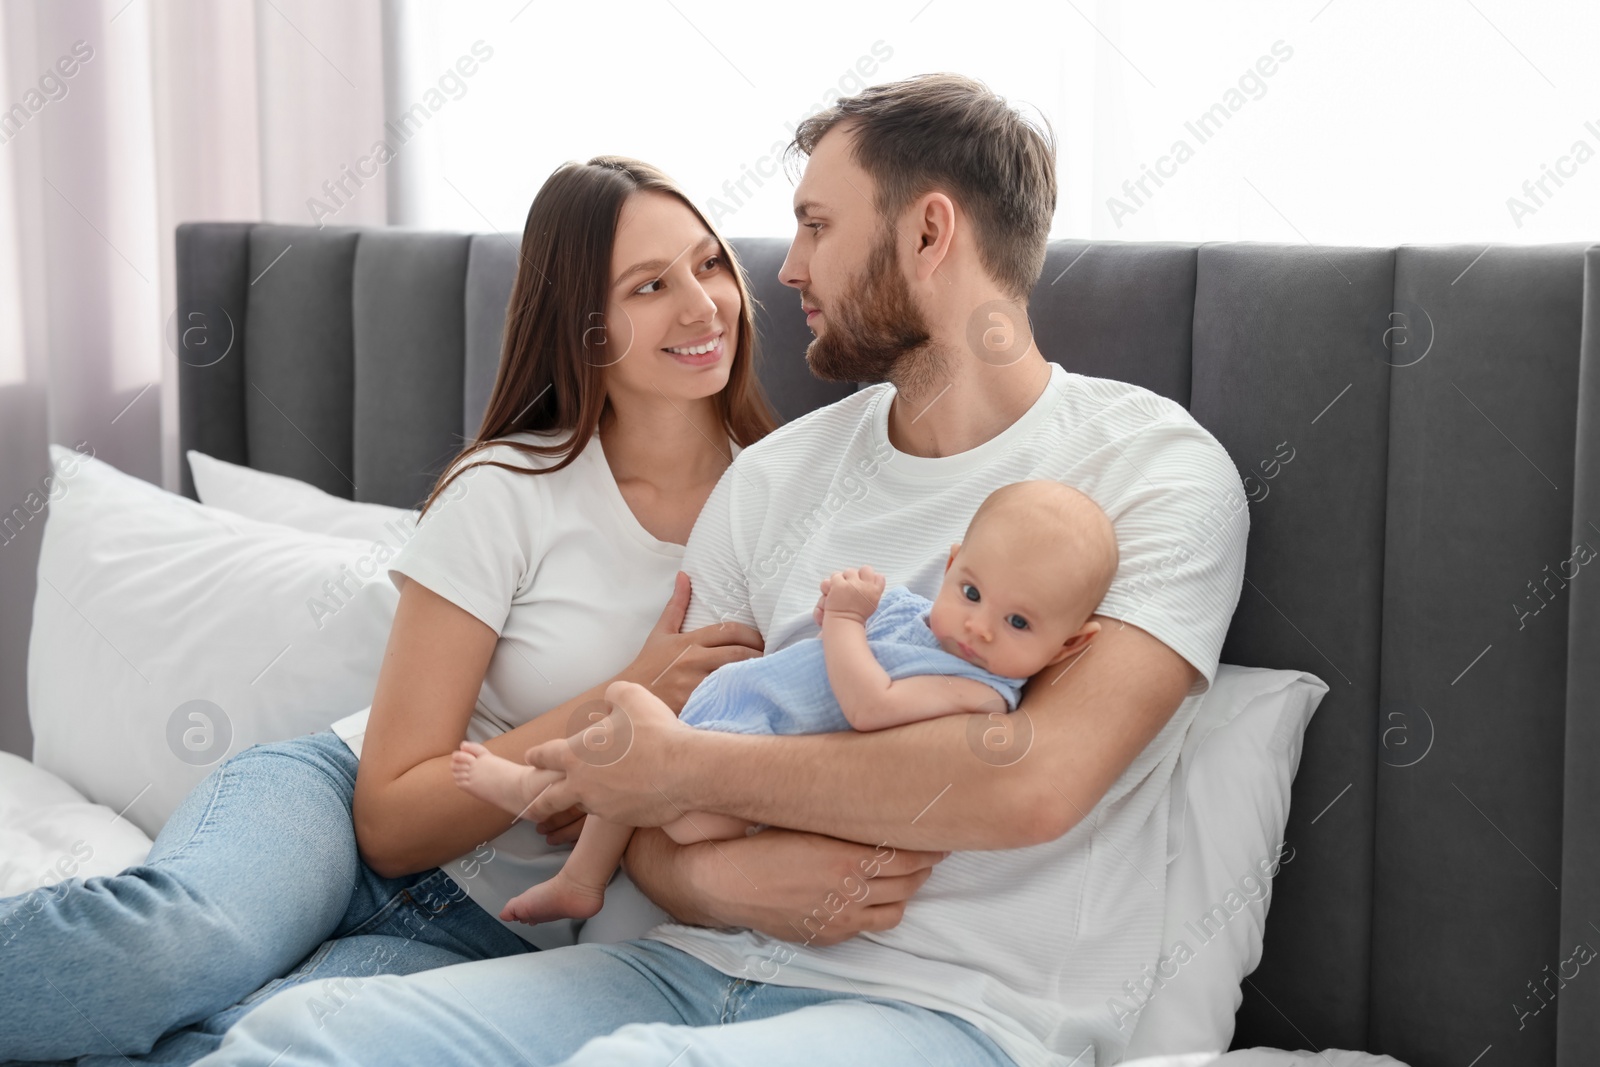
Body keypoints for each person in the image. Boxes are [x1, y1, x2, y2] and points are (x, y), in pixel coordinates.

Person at [198, 72, 1249, 1067]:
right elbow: (643, 797)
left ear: (929, 231)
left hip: (951, 1011)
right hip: (677, 965)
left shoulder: (1149, 472)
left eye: (817, 225)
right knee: (297, 1040)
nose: (782, 268)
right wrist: (712, 876)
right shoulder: (775, 477)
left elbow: (1031, 780)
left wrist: (691, 778)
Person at [3, 155, 938, 1065]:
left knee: (254, 1041)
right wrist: (623, 698)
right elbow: (390, 816)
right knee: (175, 947)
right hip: (333, 815)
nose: (702, 306)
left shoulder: (788, 507)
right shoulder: (509, 488)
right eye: (650, 285)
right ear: (585, 327)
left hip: (495, 932)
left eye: (708, 264)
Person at [453, 480, 1118, 927]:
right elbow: (813, 644)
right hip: (735, 717)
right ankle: (582, 876)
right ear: (950, 568)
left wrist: (845, 623)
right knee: (631, 759)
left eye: (1019, 624)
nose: (979, 628)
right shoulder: (920, 616)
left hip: (742, 773)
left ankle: (532, 786)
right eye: (971, 593)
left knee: (631, 738)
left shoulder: (978, 690)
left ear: (1067, 647)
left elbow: (869, 704)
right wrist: (835, 605)